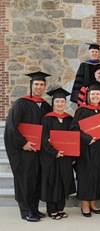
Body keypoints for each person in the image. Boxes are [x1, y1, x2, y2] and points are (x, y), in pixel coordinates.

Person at [4, 71, 52, 222]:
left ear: (45, 86)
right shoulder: (21, 103)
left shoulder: (46, 106)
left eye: (41, 84)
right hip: (24, 150)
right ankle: (25, 211)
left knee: (36, 179)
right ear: (31, 85)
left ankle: (34, 208)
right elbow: (11, 126)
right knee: (25, 180)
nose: (38, 87)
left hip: (39, 150)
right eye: (36, 84)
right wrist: (23, 143)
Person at [70, 81, 100, 218]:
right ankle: (85, 205)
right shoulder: (82, 110)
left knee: (98, 175)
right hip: (85, 150)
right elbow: (74, 129)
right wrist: (87, 138)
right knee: (86, 177)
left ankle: (93, 203)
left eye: (98, 94)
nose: (95, 96)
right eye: (93, 94)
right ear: (88, 95)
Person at [40, 88, 76, 220]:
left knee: (63, 182)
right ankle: (52, 210)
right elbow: (44, 139)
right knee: (53, 182)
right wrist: (54, 152)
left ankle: (60, 208)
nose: (60, 104)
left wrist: (72, 155)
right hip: (52, 158)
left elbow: (73, 139)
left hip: (65, 157)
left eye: (62, 101)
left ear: (65, 103)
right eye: (57, 101)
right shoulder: (47, 119)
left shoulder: (69, 119)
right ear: (53, 103)